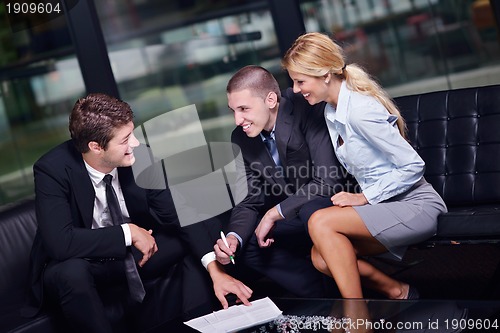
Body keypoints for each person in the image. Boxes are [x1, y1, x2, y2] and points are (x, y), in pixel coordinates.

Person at [26, 93, 250, 333]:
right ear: (96, 147)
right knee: (71, 273)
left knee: (190, 238)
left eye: (132, 133)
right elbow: (61, 243)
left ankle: (201, 325)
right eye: (124, 139)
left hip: (134, 257)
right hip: (83, 262)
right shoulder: (52, 169)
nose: (134, 143)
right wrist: (128, 232)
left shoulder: (140, 156)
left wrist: (216, 271)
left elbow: (179, 212)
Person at [281, 32, 448, 299]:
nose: (297, 90)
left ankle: (357, 318)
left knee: (320, 223)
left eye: (301, 81)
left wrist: (363, 197)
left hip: (416, 204)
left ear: (325, 75)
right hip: (386, 207)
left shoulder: (360, 111)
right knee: (320, 257)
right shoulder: (331, 111)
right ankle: (399, 292)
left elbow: (413, 166)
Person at [213, 65, 347, 297]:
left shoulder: (307, 109)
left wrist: (274, 212)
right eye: (233, 111)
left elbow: (328, 182)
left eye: (244, 109)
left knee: (311, 213)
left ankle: (348, 289)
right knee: (249, 245)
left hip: (331, 206)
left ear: (271, 99)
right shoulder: (241, 138)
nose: (237, 120)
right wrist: (233, 239)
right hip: (295, 216)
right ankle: (324, 296)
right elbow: (248, 200)